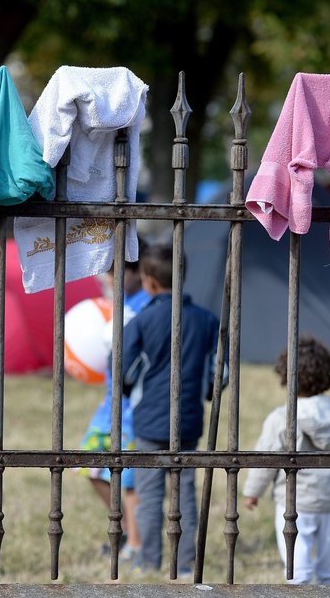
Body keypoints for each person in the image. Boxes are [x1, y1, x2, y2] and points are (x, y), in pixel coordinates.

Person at [121, 243, 220, 575]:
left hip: (148, 422)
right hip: (189, 421)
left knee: (149, 496)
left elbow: (122, 369)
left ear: (148, 279)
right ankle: (187, 563)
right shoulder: (207, 320)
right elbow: (220, 372)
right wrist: (206, 391)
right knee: (185, 495)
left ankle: (148, 562)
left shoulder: (141, 321)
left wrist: (128, 390)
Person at [242, 336, 330, 585]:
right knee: (328, 566)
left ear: (287, 375)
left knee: (297, 567)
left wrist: (252, 491)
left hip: (295, 501)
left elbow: (267, 457)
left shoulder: (283, 416)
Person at [80, 245, 150, 562]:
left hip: (135, 410)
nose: (110, 279)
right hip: (110, 407)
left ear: (138, 272)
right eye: (107, 272)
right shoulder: (114, 305)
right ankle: (123, 530)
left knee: (130, 479)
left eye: (116, 272)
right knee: (92, 468)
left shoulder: (147, 306)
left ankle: (136, 545)